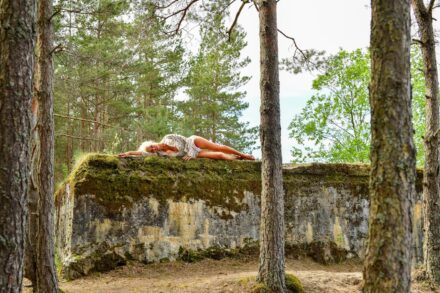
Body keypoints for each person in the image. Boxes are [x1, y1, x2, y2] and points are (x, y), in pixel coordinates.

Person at [118, 134, 255, 161]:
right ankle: (238, 159)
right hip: (192, 155)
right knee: (218, 156)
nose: (153, 149)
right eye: (151, 150)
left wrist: (190, 152)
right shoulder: (160, 154)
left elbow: (180, 144)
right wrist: (128, 153)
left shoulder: (168, 138)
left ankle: (243, 155)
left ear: (152, 143)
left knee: (217, 147)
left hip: (192, 143)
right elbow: (140, 154)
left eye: (152, 146)